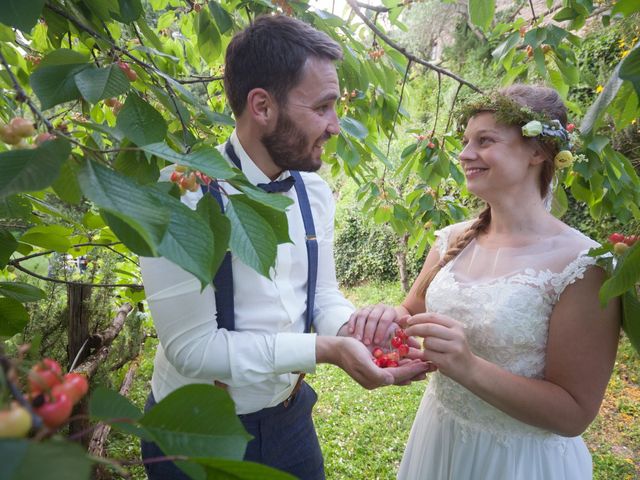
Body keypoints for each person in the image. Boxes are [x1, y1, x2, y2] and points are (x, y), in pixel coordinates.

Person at [138, 14, 430, 480]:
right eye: (322, 107)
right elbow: (192, 348)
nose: (336, 127)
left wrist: (360, 334)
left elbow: (322, 297)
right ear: (261, 106)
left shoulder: (314, 192)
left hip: (290, 421)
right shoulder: (181, 196)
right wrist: (326, 350)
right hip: (191, 433)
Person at [348, 84, 621, 479]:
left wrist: (468, 367)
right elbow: (408, 313)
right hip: (439, 435)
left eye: (485, 140)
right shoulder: (451, 240)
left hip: (517, 463)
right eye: (464, 142)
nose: (463, 154)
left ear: (538, 151)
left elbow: (574, 413)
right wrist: (382, 320)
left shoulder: (584, 265)